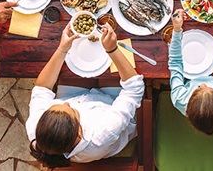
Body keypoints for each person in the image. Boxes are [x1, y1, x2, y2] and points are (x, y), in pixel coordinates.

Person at [26, 23, 144, 168]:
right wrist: (112, 50)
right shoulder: (105, 131)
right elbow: (134, 88)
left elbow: (42, 89)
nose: (67, 104)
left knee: (77, 64)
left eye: (59, 105)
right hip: (112, 103)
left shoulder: (37, 129)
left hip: (75, 95)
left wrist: (62, 49)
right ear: (79, 134)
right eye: (73, 111)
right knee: (111, 67)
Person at [168, 6, 213, 135]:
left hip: (190, 64)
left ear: (187, 110)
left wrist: (176, 30)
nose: (202, 84)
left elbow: (175, 64)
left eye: (198, 89)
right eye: (209, 88)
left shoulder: (179, 99)